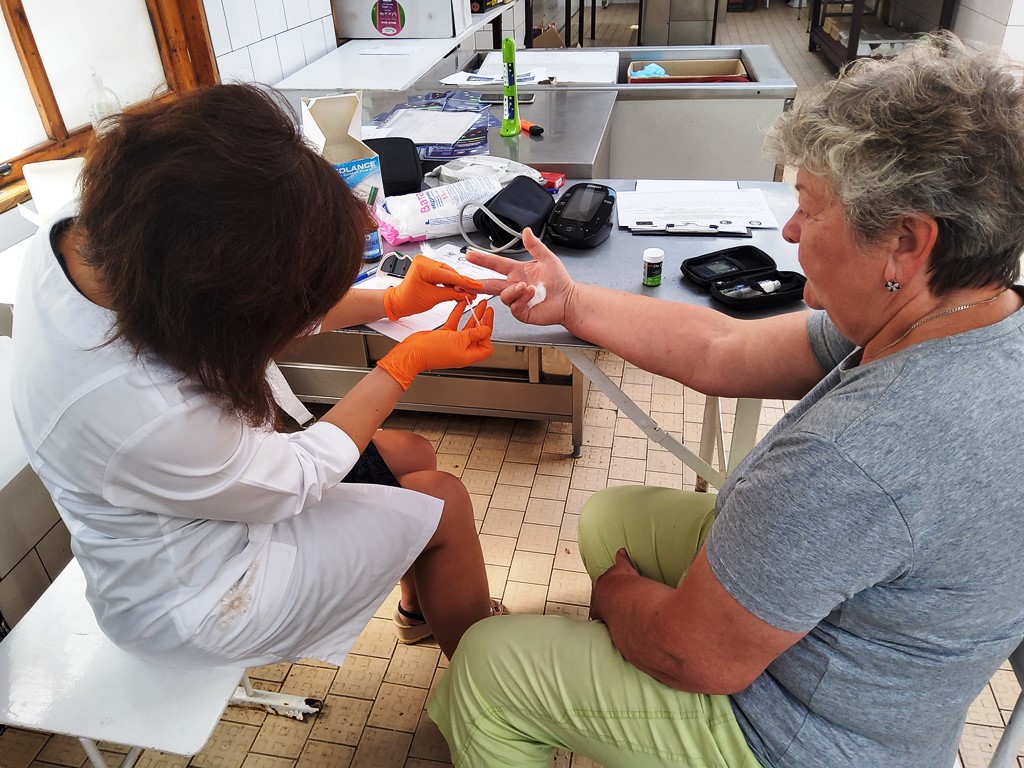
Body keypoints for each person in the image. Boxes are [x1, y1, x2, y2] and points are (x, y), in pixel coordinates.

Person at [428, 33, 1024, 767]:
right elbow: (724, 349)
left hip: (806, 738)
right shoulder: (967, 317)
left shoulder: (859, 450)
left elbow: (694, 657)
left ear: (906, 241)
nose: (790, 230)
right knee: (612, 518)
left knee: (491, 664)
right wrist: (574, 302)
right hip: (883, 676)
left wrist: (620, 600)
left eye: (810, 209)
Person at [10, 83, 501, 667]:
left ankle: (421, 613)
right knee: (443, 502)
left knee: (413, 453)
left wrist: (389, 301)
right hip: (204, 596)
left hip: (205, 501)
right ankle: (487, 684)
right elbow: (299, 474)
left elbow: (244, 316)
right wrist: (406, 361)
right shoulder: (143, 409)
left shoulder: (94, 232)